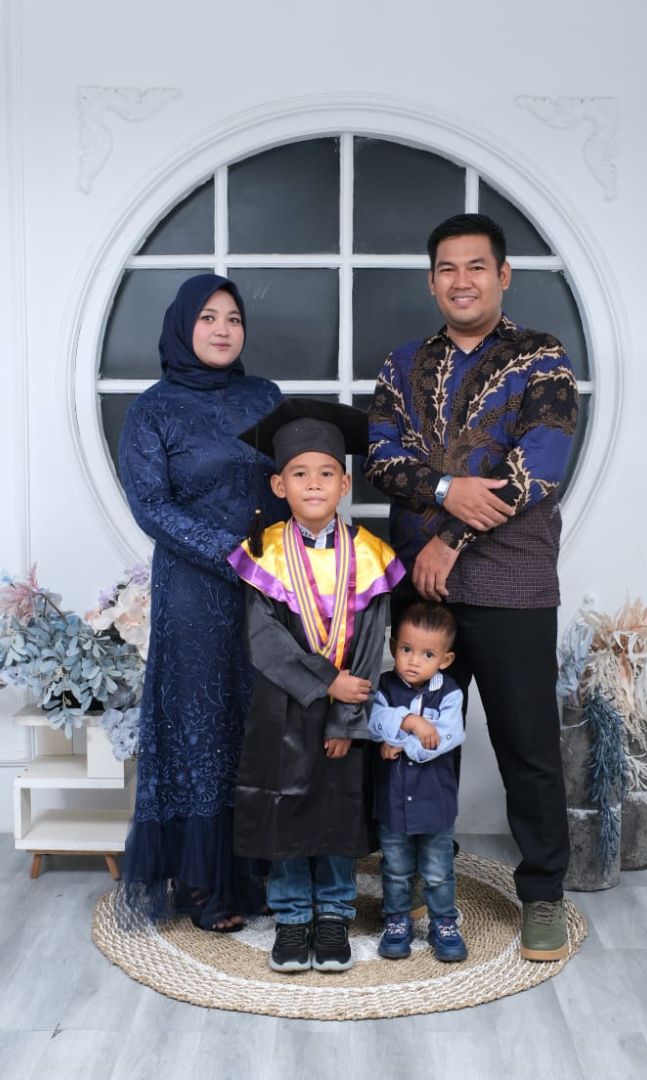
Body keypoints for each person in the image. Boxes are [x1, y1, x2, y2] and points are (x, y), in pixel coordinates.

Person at [365, 213, 579, 962]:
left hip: (512, 583)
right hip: (423, 594)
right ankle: (423, 872)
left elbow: (538, 467)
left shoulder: (542, 359)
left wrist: (451, 534)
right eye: (448, 269)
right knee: (416, 735)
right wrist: (445, 487)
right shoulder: (401, 365)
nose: (462, 281)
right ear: (432, 282)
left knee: (528, 745)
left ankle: (543, 893)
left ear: (503, 275)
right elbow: (380, 459)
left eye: (477, 267)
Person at [119, 273, 285, 932]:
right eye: (209, 317)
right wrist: (230, 552)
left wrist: (293, 555)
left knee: (258, 722)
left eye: (233, 318)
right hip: (194, 590)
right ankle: (202, 883)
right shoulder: (152, 409)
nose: (222, 329)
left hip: (270, 585)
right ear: (183, 326)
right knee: (202, 727)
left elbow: (291, 477)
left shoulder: (264, 396)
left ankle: (252, 873)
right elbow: (150, 506)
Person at [227, 398, 405, 973]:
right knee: (285, 810)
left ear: (344, 483)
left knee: (336, 812)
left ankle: (333, 915)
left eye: (326, 473)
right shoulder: (263, 554)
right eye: (299, 473)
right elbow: (263, 640)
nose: (313, 484)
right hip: (281, 707)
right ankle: (291, 917)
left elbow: (372, 644)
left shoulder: (371, 555)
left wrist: (346, 718)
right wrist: (328, 683)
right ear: (278, 485)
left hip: (343, 713)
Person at [368, 601, 467, 962]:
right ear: (394, 646)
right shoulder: (384, 687)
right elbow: (373, 723)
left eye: (427, 654)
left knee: (438, 871)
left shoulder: (451, 693)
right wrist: (410, 722)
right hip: (393, 801)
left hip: (435, 802)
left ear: (445, 659)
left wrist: (403, 744)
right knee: (395, 867)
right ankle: (397, 920)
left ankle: (444, 923)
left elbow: (444, 738)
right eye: (407, 649)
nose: (413, 661)